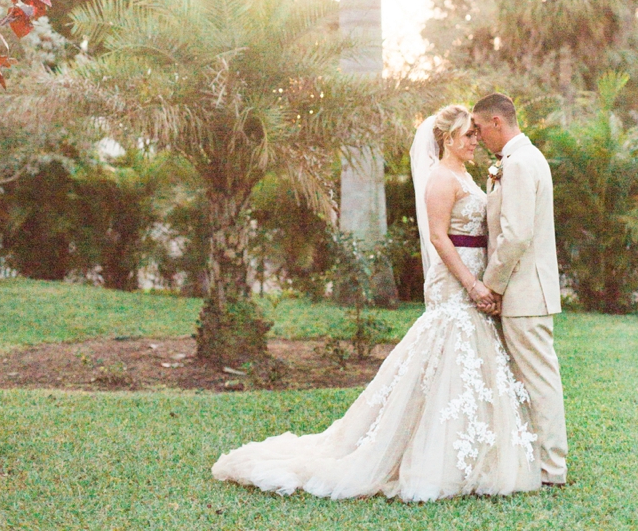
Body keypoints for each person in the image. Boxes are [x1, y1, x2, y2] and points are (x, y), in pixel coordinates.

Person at [211, 104, 540, 501]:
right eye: (467, 134)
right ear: (446, 140)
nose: (475, 140)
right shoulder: (439, 178)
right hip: (456, 282)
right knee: (446, 352)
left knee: (471, 359)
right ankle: (424, 456)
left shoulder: (468, 175)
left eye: (475, 132)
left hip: (477, 280)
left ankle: (472, 453)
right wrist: (472, 284)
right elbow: (439, 238)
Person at [471, 92, 568, 488]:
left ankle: (552, 469)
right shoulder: (513, 162)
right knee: (526, 379)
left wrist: (490, 286)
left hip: (526, 293)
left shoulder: (522, 163)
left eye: (478, 128)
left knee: (540, 381)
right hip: (522, 292)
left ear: (497, 122)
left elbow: (515, 236)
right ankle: (531, 459)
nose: (476, 138)